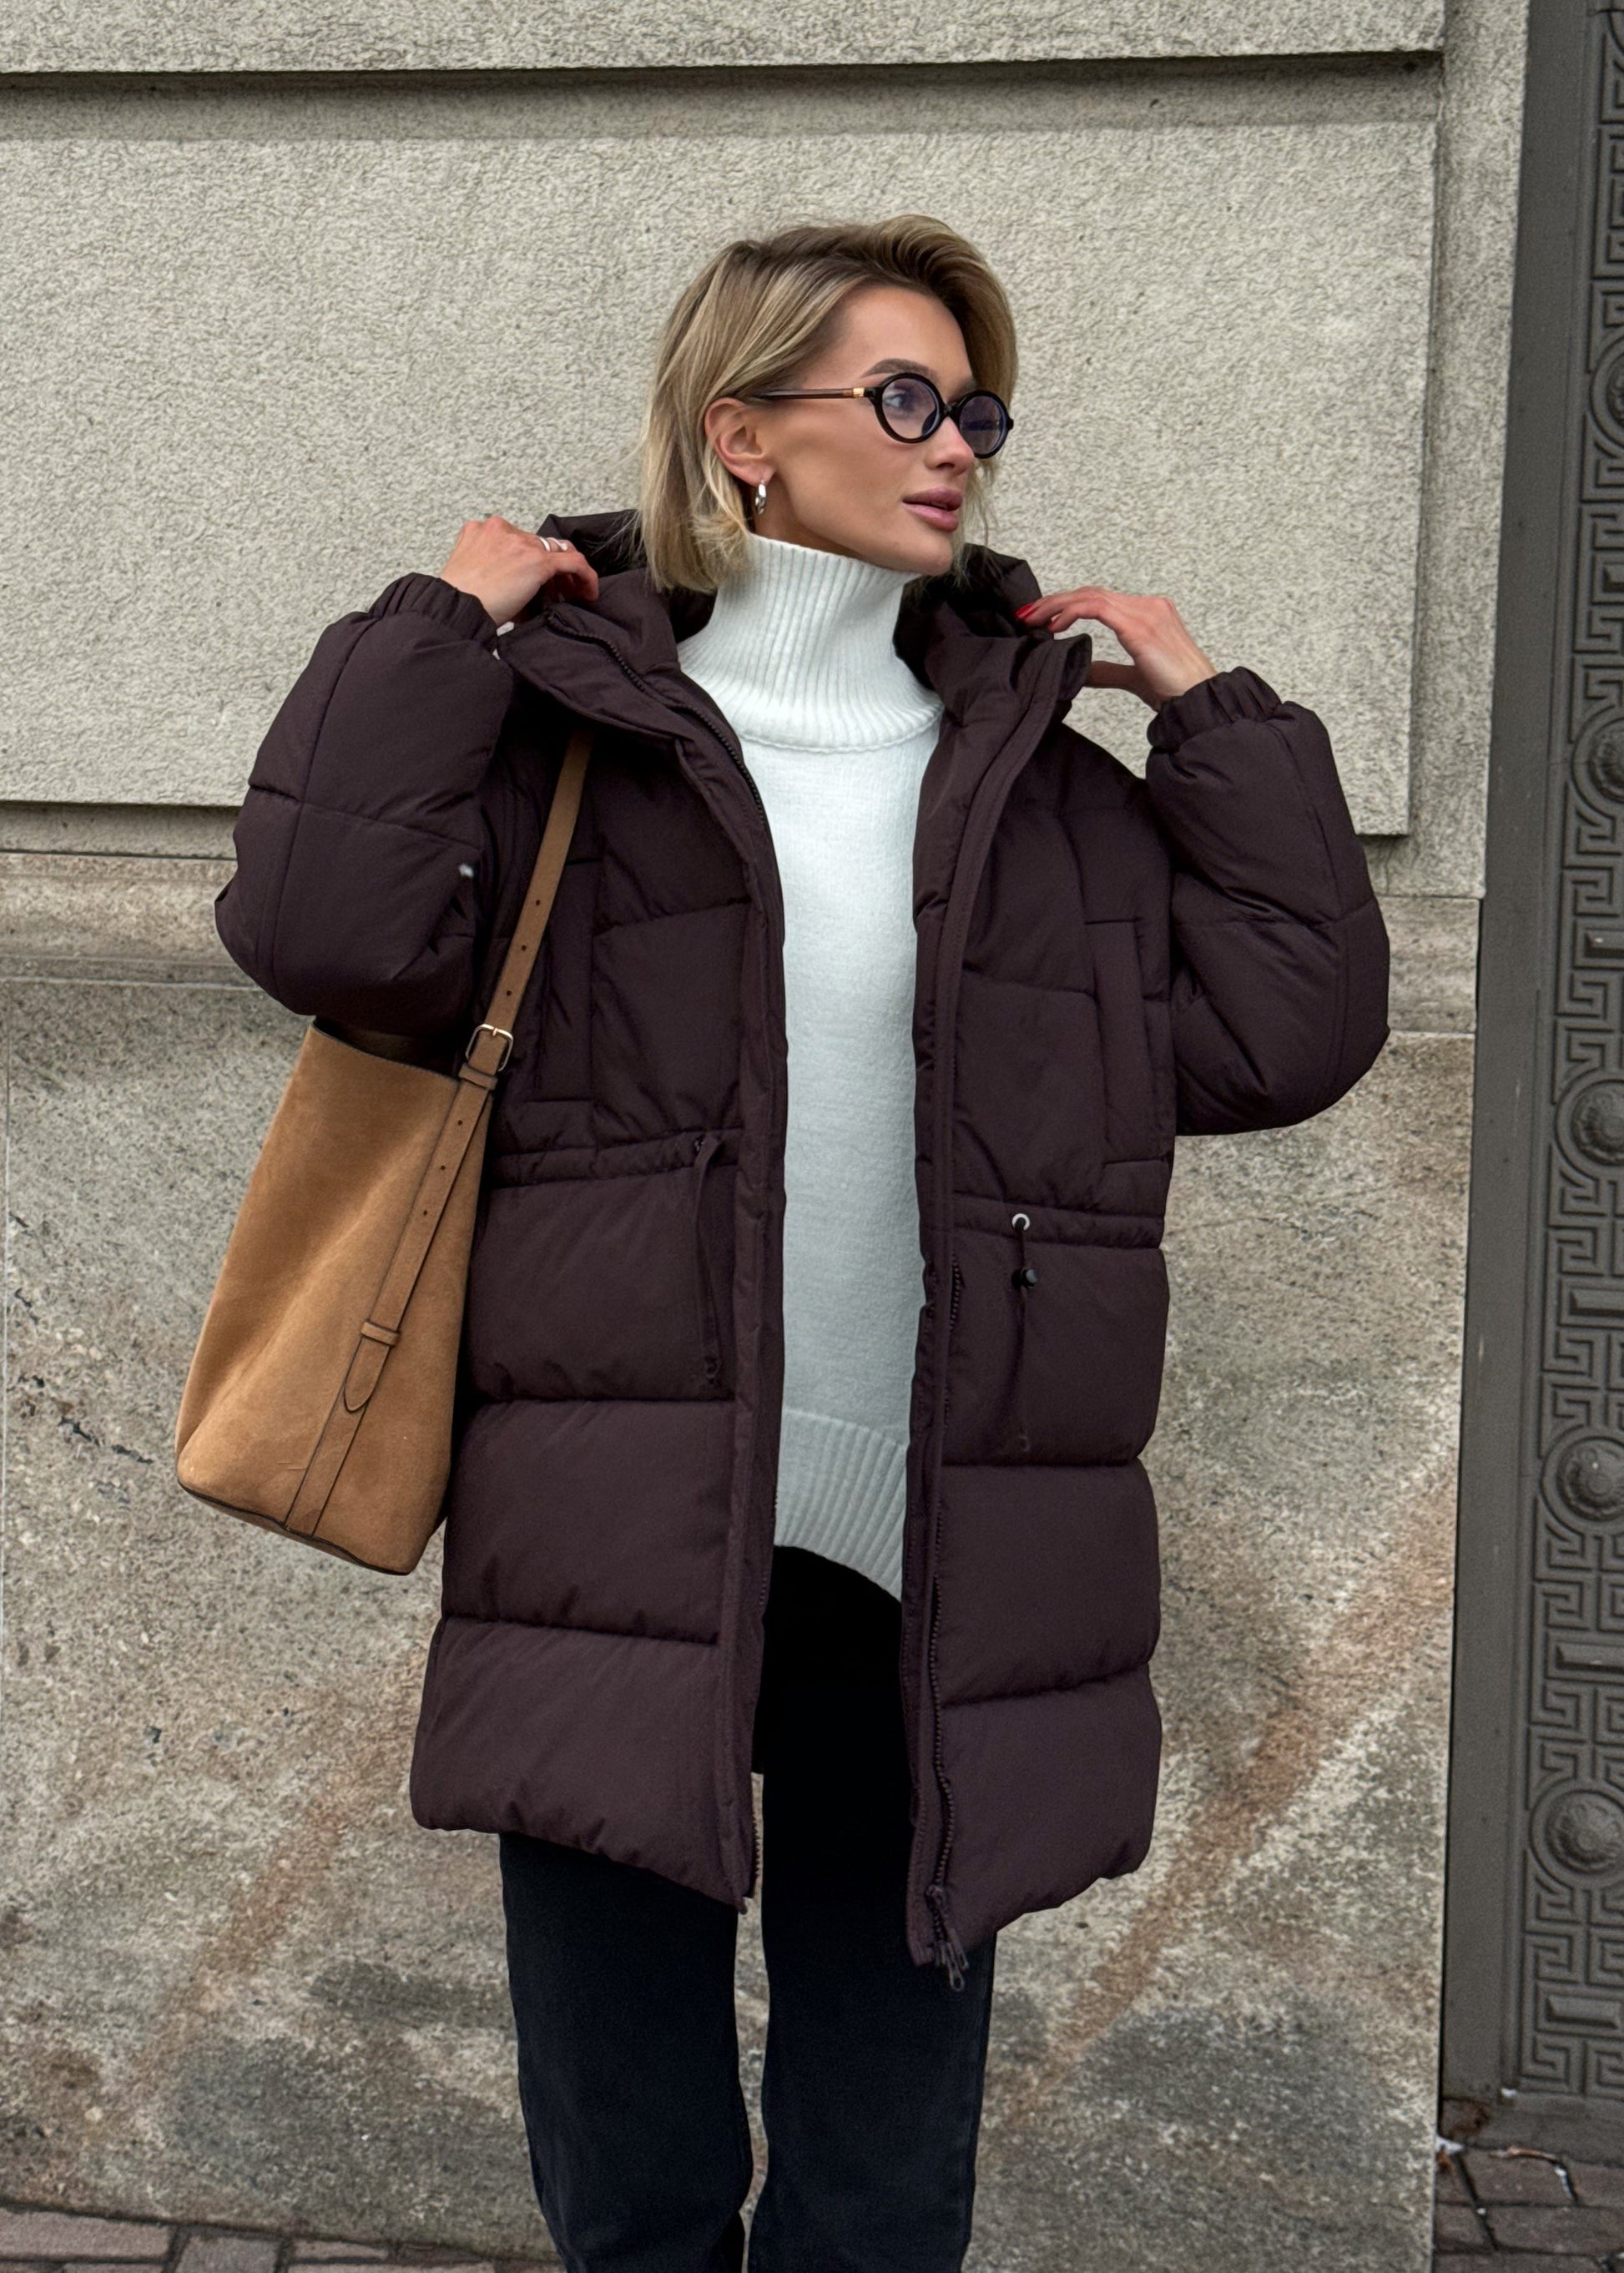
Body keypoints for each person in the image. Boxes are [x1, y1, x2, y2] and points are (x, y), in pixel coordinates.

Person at [214, 214, 1389, 2273]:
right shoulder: (572, 750)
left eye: (975, 413)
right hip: (618, 1520)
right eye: (905, 398)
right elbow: (324, 934)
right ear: (739, 432)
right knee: (630, 2149)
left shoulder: (1042, 793)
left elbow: (1283, 1035)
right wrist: (432, 625)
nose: (953, 449)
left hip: (943, 1533)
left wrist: (1216, 718)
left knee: (882, 2165)